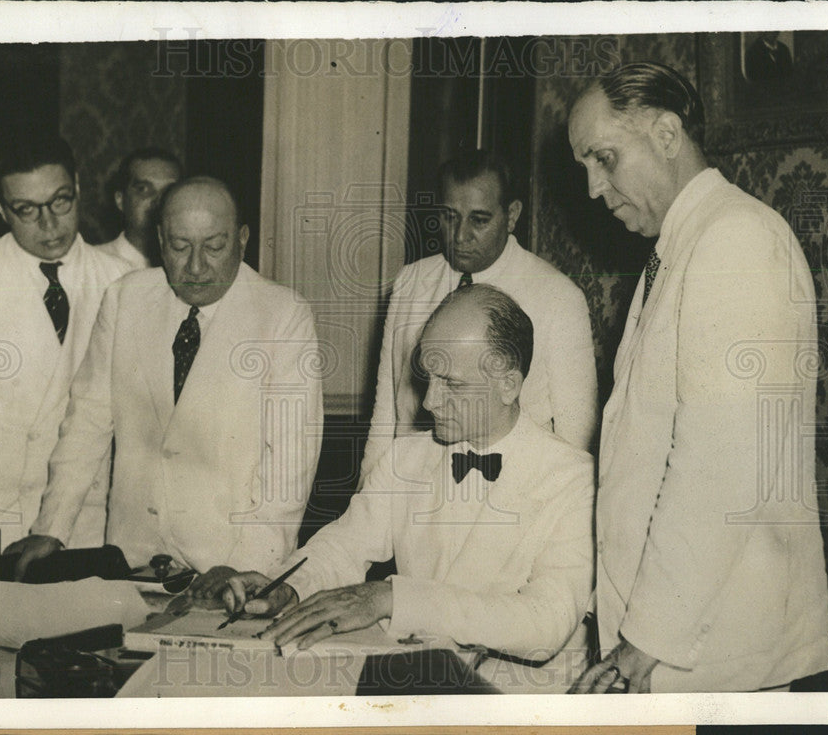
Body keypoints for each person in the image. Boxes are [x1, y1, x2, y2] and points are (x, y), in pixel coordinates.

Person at [566, 61, 828, 692]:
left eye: (604, 158)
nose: (592, 189)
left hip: (715, 652)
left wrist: (640, 646)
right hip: (682, 645)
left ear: (666, 133)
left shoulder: (734, 238)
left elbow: (720, 466)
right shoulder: (681, 246)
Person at [220, 284, 595, 693]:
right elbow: (344, 546)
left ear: (508, 385)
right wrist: (287, 587)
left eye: (452, 384)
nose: (430, 402)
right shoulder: (406, 458)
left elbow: (547, 623)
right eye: (427, 378)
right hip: (412, 686)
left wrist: (395, 599)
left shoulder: (573, 479)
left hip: (516, 705)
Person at [4, 177, 323, 586]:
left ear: (243, 240)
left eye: (214, 246)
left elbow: (289, 465)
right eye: (179, 246)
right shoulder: (125, 298)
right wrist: (51, 527)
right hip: (131, 560)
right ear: (159, 239)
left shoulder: (283, 314)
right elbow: (87, 422)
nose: (195, 266)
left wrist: (249, 565)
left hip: (229, 565)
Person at [0, 135, 134, 549]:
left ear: (77, 186)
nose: (49, 224)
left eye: (61, 201)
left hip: (85, 525)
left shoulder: (121, 281)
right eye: (26, 210)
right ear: (0, 208)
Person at [359, 150, 597, 486]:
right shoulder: (411, 282)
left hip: (511, 493)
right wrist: (366, 500)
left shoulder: (559, 297)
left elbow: (575, 437)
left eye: (479, 220)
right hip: (415, 487)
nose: (460, 236)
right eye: (449, 216)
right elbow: (386, 413)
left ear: (511, 215)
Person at [101, 147, 182, 268]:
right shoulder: (94, 264)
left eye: (169, 191)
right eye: (143, 189)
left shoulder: (189, 267)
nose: (158, 200)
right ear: (120, 200)